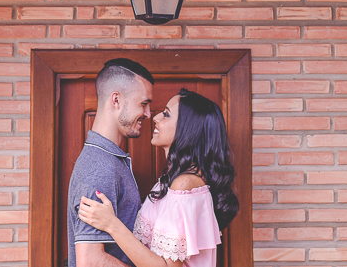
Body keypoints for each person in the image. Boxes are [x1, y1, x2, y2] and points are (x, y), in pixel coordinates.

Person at [78, 89, 239, 267]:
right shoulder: (173, 181)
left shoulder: (184, 186)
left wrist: (111, 225)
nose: (155, 117)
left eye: (167, 114)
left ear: (188, 129)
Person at [67, 58, 155, 267]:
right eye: (143, 104)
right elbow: (90, 262)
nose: (148, 114)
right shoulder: (100, 167)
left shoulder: (109, 160)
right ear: (116, 100)